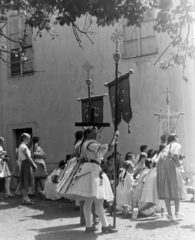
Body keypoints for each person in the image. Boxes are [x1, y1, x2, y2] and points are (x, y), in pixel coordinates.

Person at [64, 127, 119, 233]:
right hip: (93, 170)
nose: (95, 136)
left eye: (95, 134)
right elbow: (110, 148)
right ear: (87, 134)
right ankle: (105, 225)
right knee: (99, 201)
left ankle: (89, 226)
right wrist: (114, 137)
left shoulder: (82, 144)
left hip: (88, 170)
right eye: (93, 134)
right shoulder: (91, 144)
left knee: (88, 201)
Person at [157, 133, 187, 221]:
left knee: (167, 188)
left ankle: (170, 214)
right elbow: (175, 155)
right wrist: (179, 165)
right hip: (170, 164)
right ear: (175, 139)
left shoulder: (166, 146)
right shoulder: (176, 144)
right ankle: (177, 212)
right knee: (176, 186)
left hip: (161, 165)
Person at [18, 133, 37, 204]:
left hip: (25, 164)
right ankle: (25, 198)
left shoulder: (23, 146)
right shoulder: (23, 146)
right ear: (24, 139)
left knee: (26, 181)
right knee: (25, 181)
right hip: (26, 164)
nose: (29, 140)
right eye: (28, 138)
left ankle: (25, 198)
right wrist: (34, 164)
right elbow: (28, 157)